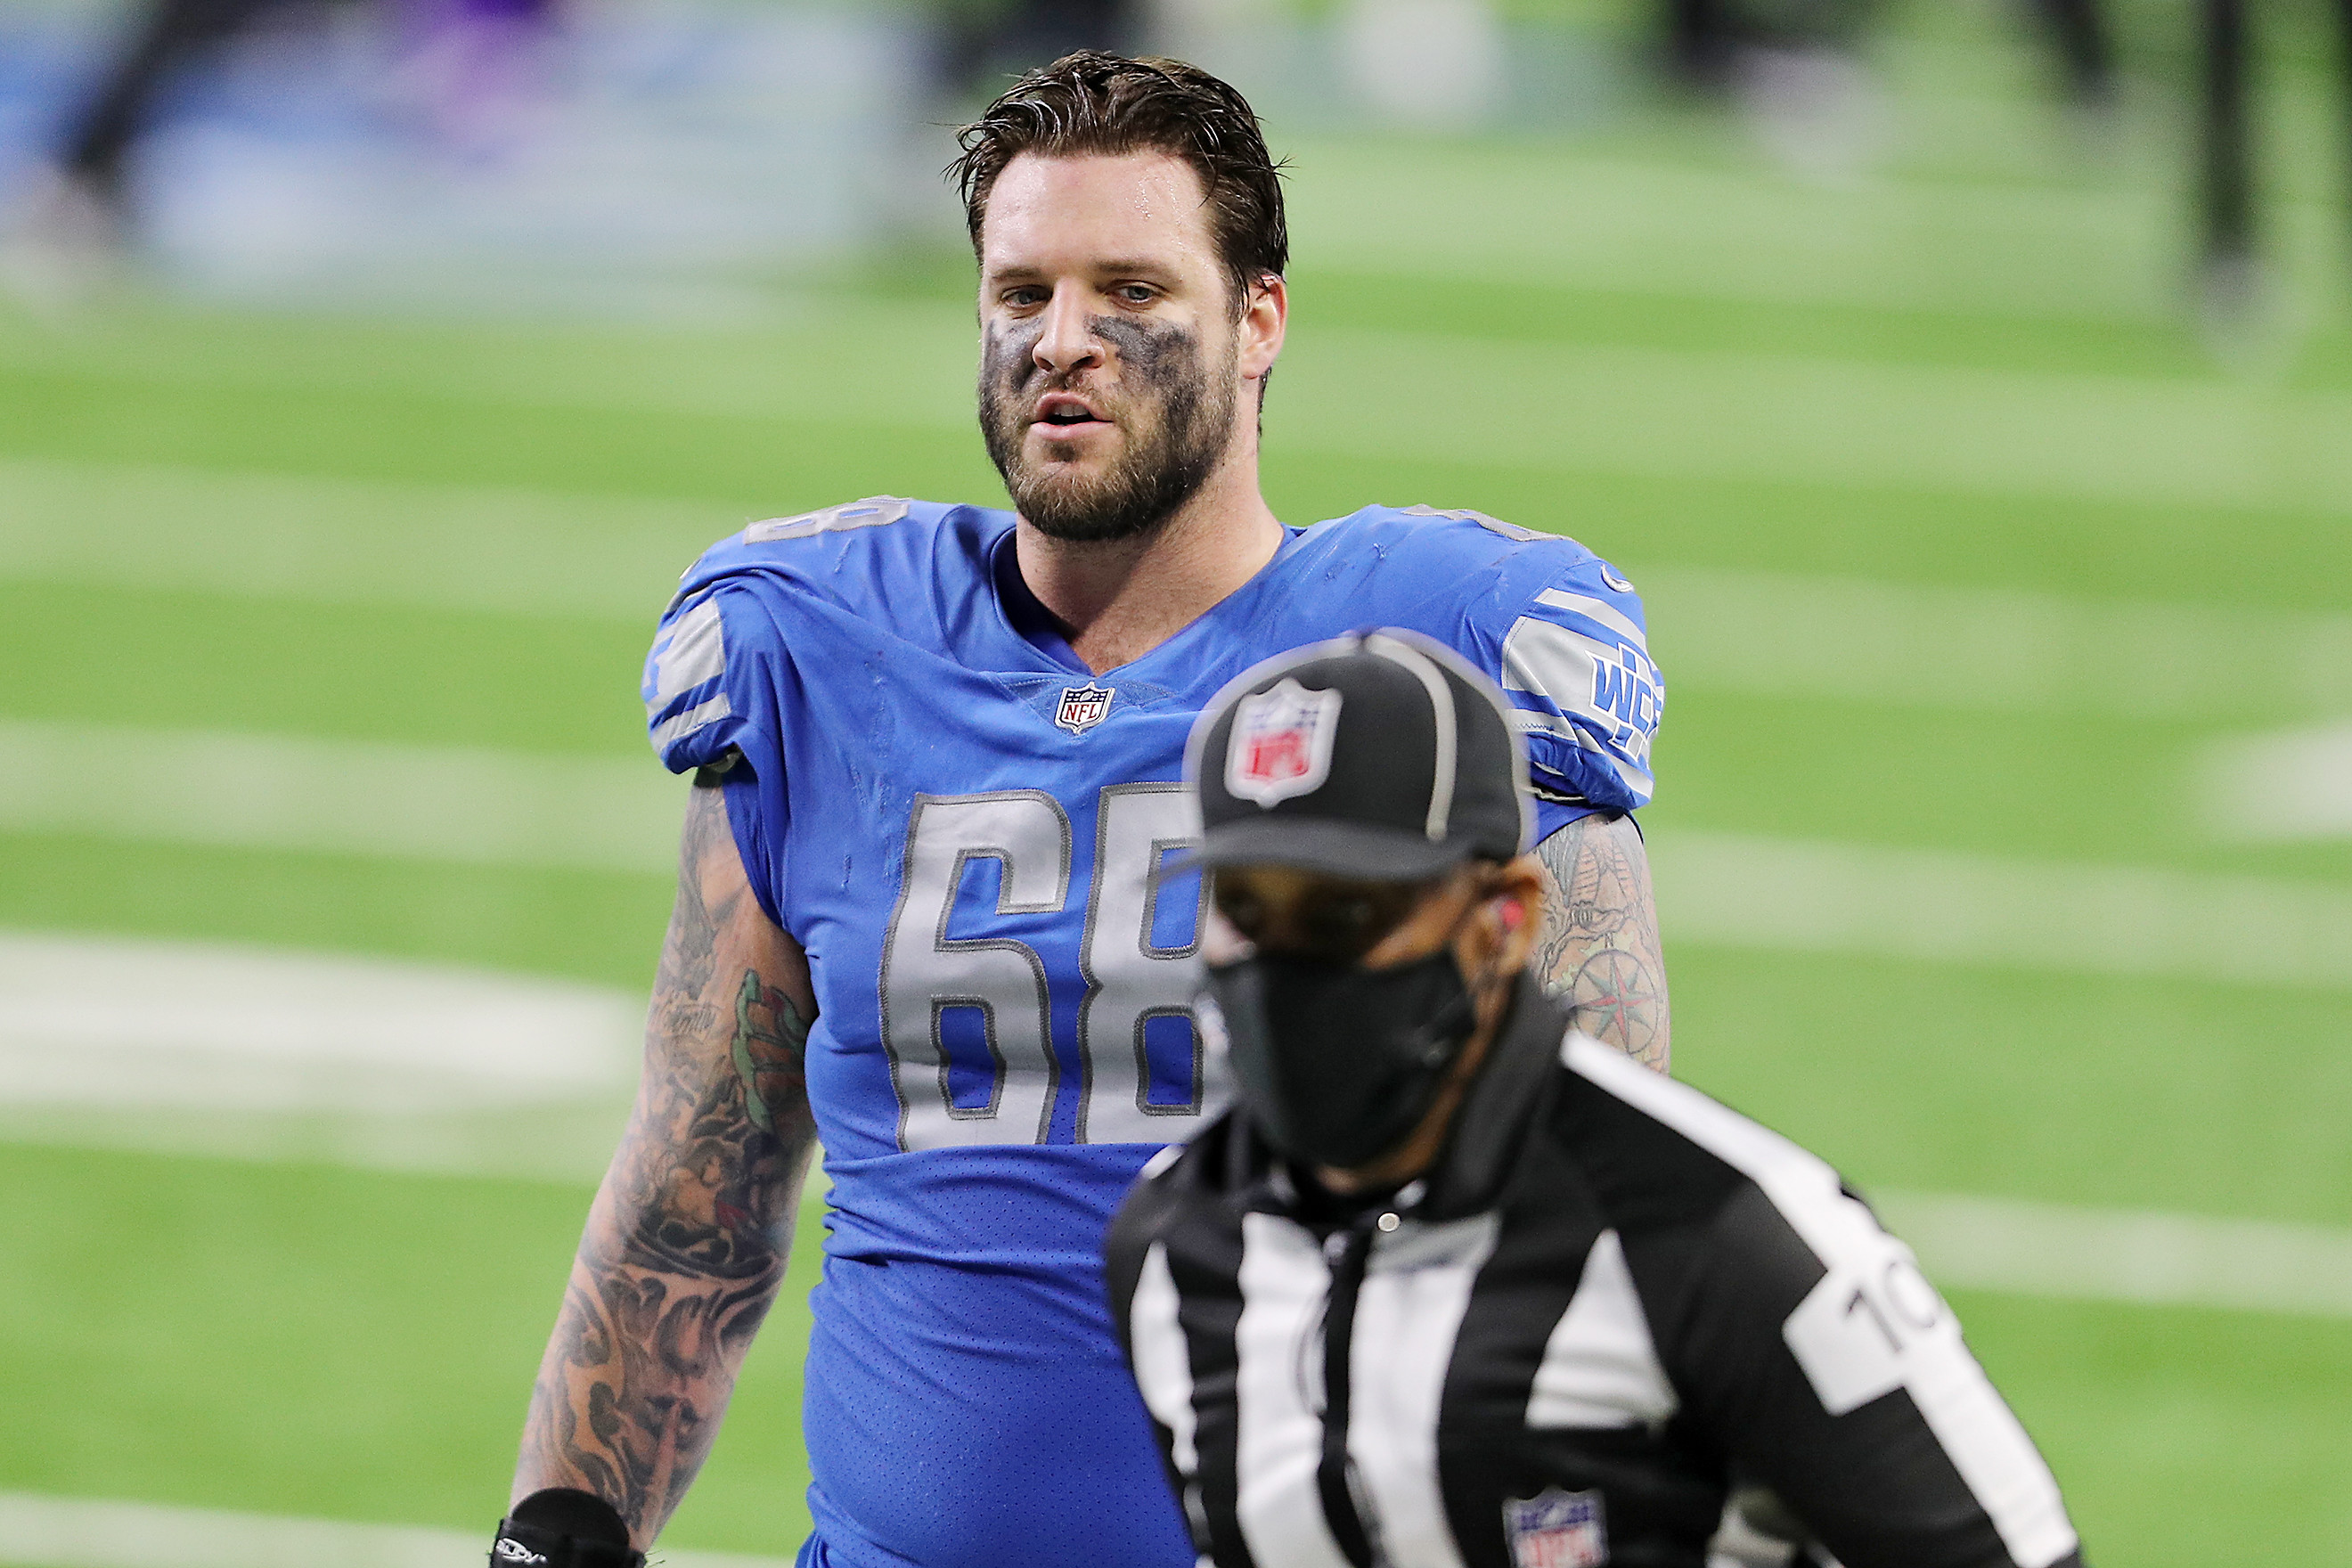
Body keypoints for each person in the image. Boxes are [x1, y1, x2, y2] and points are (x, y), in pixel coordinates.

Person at [494, 52, 1670, 1568]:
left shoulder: (1447, 667)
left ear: (1262, 319)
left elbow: (1603, 1228)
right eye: (1020, 293)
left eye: (1131, 290)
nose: (1065, 342)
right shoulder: (822, 650)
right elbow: (692, 1200)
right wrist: (555, 1543)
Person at [1103, 632, 2087, 1568]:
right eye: (1246, 909)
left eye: (1349, 913)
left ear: (1502, 921)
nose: (1286, 965)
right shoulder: (1173, 1244)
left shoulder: (1718, 1230)